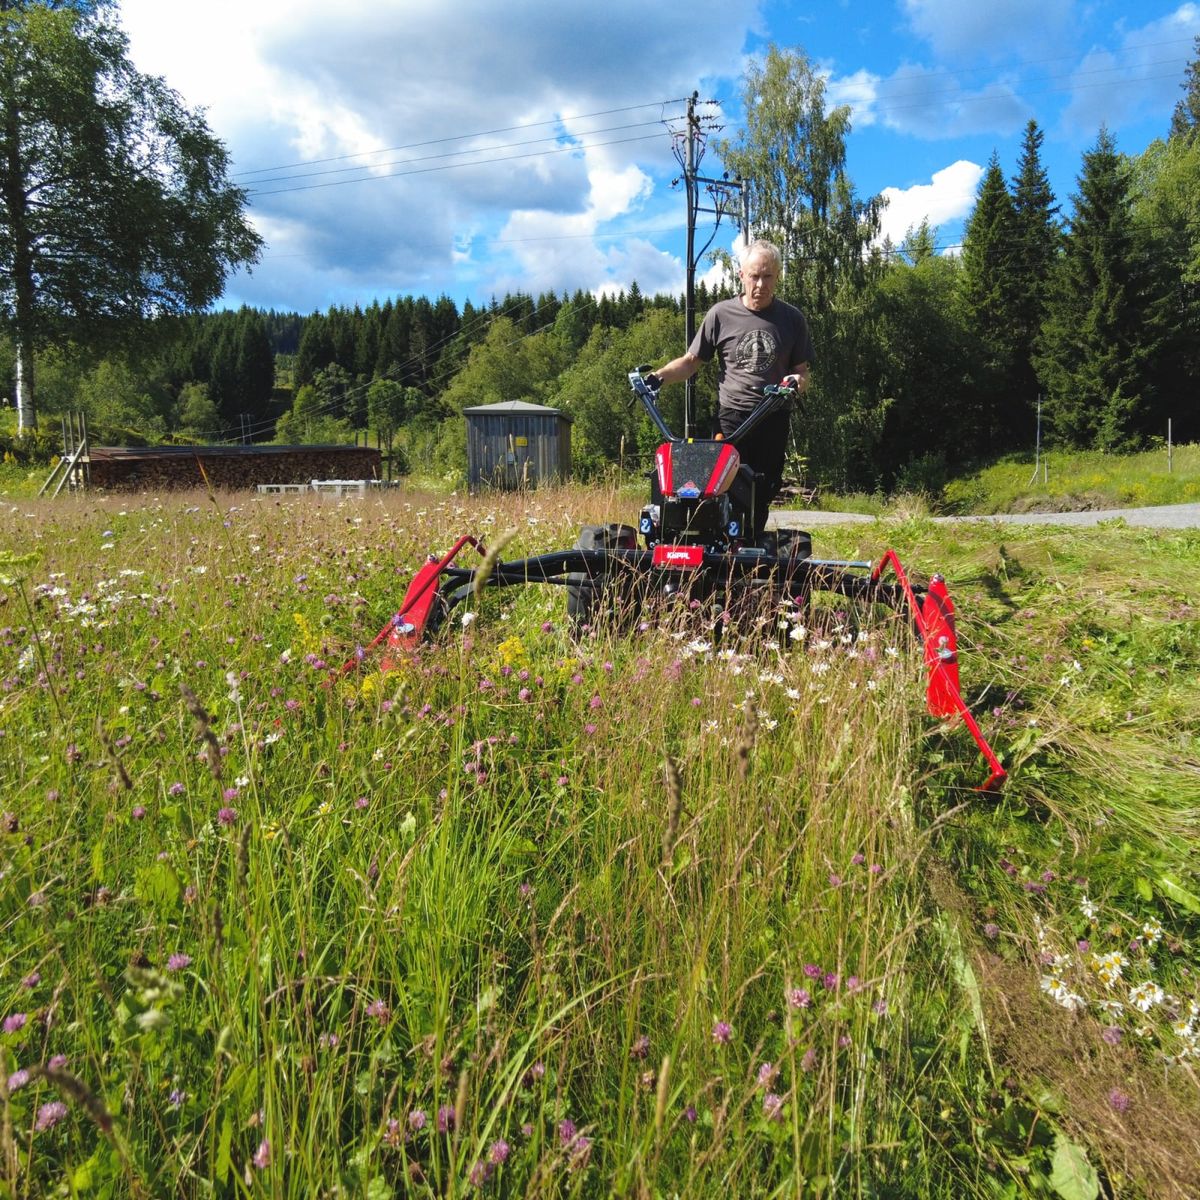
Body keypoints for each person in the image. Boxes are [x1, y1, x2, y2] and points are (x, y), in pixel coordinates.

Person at [647, 239, 813, 539]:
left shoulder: (792, 319)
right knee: (716, 489)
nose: (760, 284)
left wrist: (795, 384)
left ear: (778, 276)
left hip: (772, 418)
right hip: (731, 418)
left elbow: (801, 373)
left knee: (761, 491)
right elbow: (691, 361)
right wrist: (658, 377)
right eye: (754, 276)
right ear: (741, 275)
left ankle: (750, 556)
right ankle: (711, 553)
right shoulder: (721, 314)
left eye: (767, 276)